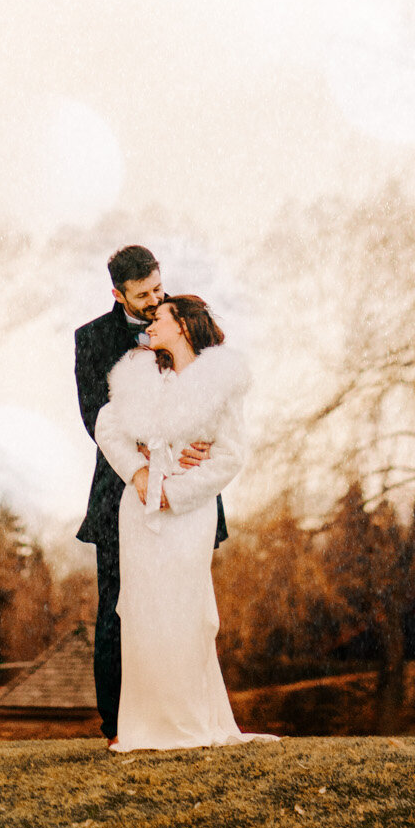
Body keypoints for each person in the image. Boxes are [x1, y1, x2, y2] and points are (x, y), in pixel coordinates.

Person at [94, 293, 276, 751]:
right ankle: (144, 725)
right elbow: (107, 425)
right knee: (139, 611)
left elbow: (231, 456)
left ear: (184, 325)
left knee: (184, 611)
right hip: (138, 511)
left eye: (159, 318)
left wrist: (174, 493)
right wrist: (137, 472)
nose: (150, 325)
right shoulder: (140, 374)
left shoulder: (220, 384)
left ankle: (186, 720)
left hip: (187, 512)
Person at [75, 246, 223, 746]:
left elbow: (211, 394)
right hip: (123, 488)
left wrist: (203, 439)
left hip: (187, 489)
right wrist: (144, 453)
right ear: (118, 294)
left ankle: (185, 715)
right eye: (143, 295)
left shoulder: (183, 322)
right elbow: (94, 415)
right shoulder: (92, 340)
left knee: (188, 606)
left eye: (159, 288)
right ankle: (119, 725)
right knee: (117, 608)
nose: (155, 299)